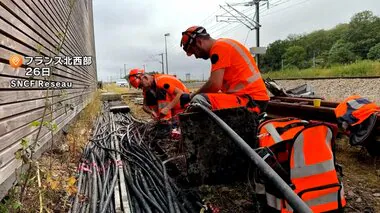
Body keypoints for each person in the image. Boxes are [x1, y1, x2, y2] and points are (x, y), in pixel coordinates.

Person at [180, 26, 270, 114]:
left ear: (199, 42)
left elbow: (214, 84)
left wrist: (191, 96)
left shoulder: (219, 47)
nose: (196, 56)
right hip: (251, 98)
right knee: (206, 99)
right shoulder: (223, 44)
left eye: (194, 51)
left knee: (199, 100)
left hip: (251, 101)